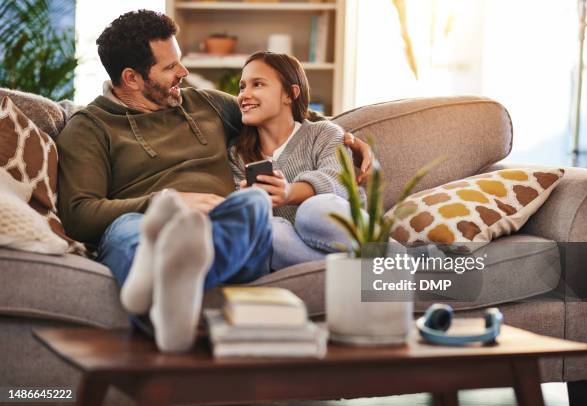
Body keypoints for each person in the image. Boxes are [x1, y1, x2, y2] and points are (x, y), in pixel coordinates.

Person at [56, 10, 373, 352]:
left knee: (252, 204)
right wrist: (162, 203)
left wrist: (345, 137)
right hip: (149, 223)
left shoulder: (204, 104)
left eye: (179, 62)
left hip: (223, 221)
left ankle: (159, 291)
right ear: (132, 78)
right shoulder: (89, 127)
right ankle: (166, 290)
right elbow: (79, 214)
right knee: (129, 230)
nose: (184, 72)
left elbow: (280, 108)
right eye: (169, 68)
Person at [229, 52, 366, 270]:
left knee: (313, 210)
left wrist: (288, 193)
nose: (245, 94)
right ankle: (361, 275)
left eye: (258, 84)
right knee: (268, 231)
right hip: (297, 250)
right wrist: (251, 201)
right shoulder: (238, 154)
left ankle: (392, 258)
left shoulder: (324, 133)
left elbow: (339, 181)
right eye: (242, 86)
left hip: (341, 232)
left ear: (290, 94)